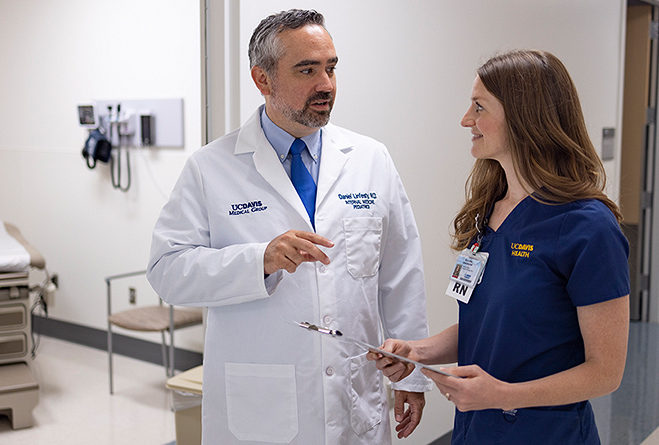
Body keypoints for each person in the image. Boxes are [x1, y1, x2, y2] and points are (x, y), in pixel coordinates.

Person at [147, 9, 432, 445]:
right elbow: (167, 271)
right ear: (262, 79)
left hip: (356, 398)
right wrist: (258, 260)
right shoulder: (210, 168)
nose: (326, 85)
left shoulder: (371, 159)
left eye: (331, 68)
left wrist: (413, 374)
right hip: (261, 406)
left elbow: (401, 274)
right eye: (307, 70)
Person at [368, 50, 630, 444]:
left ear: (526, 117)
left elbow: (605, 372)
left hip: (546, 433)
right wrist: (417, 352)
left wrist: (503, 395)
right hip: (477, 429)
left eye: (479, 106)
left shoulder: (587, 227)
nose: (465, 119)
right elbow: (490, 321)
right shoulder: (489, 210)